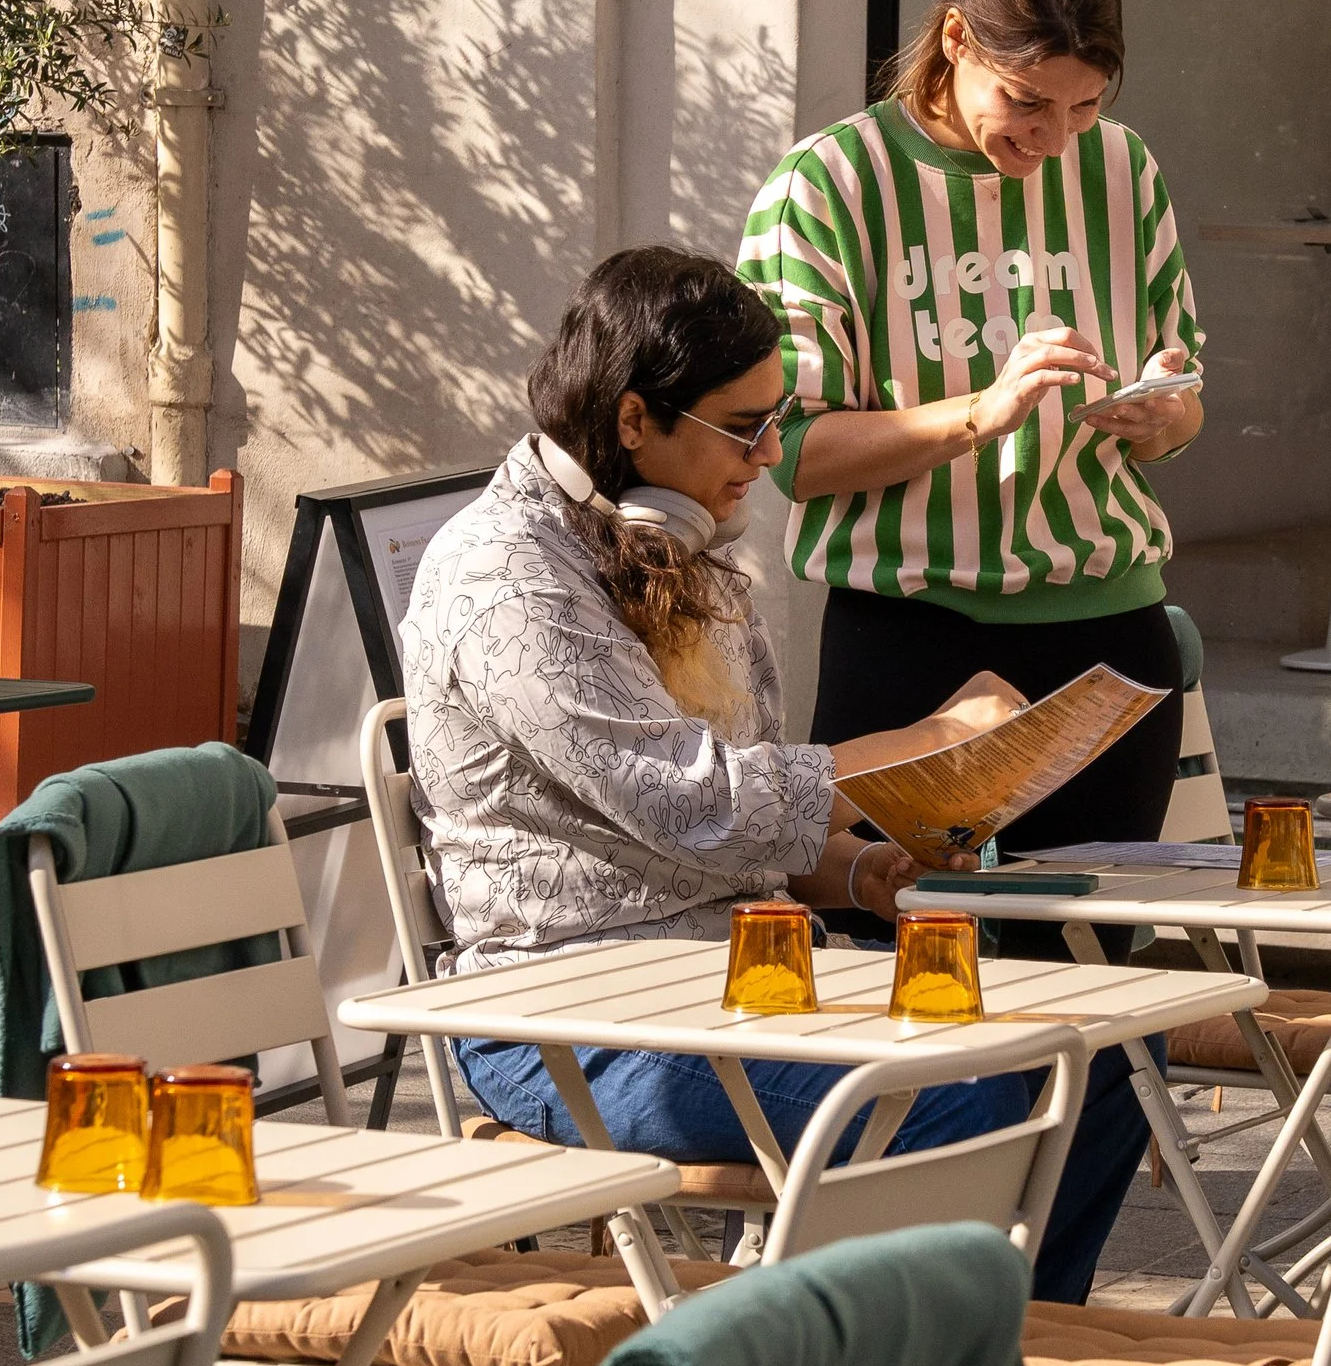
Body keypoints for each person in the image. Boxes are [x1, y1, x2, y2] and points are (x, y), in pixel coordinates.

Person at [400, 245, 1151, 1298]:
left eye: (777, 420)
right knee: (964, 1112)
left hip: (735, 984)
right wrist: (926, 744)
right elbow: (691, 797)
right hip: (566, 1021)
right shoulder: (508, 575)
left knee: (1097, 1076)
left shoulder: (684, 544)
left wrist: (855, 870)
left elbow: (739, 815)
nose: (768, 452)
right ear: (632, 422)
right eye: (745, 427)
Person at [738, 0, 1205, 845]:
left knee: (1088, 977)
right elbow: (789, 453)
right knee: (885, 963)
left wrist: (1164, 418)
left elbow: (1185, 398)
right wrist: (982, 414)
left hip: (1109, 631)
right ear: (956, 39)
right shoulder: (826, 186)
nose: (1054, 139)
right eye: (1028, 101)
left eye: (1084, 107)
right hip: (909, 636)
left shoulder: (1125, 168)